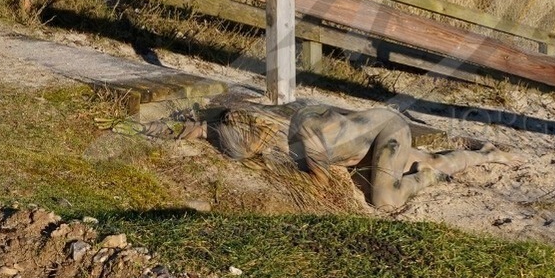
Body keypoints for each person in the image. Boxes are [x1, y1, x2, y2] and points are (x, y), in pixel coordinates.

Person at [218, 101, 517, 211]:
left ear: (258, 130)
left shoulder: (310, 136)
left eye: (252, 148)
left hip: (388, 128)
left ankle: (425, 179)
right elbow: (215, 124)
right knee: (434, 157)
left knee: (385, 200)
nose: (256, 154)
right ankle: (486, 154)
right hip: (362, 144)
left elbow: (320, 189)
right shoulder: (270, 125)